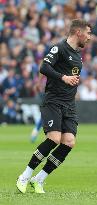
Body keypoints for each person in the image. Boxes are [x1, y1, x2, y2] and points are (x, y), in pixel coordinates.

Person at [16, 19, 92, 194]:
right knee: (54, 139)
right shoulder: (59, 48)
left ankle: (39, 179)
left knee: (69, 142)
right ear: (78, 32)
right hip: (53, 101)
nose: (89, 37)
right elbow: (44, 67)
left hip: (69, 105)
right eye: (88, 33)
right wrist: (63, 77)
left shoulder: (78, 56)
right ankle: (25, 176)